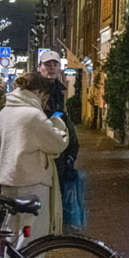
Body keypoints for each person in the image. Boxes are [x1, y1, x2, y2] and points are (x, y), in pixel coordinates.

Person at [0, 72, 69, 243]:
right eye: (44, 100)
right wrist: (58, 124)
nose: (44, 106)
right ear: (38, 93)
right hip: (32, 181)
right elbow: (57, 143)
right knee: (31, 234)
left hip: (8, 179)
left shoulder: (4, 112)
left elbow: (1, 143)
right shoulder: (33, 116)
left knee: (11, 232)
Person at [38, 50, 79, 192]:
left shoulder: (59, 90)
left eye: (55, 64)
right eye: (47, 64)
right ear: (40, 67)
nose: (51, 68)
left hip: (58, 148)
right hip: (46, 149)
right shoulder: (36, 89)